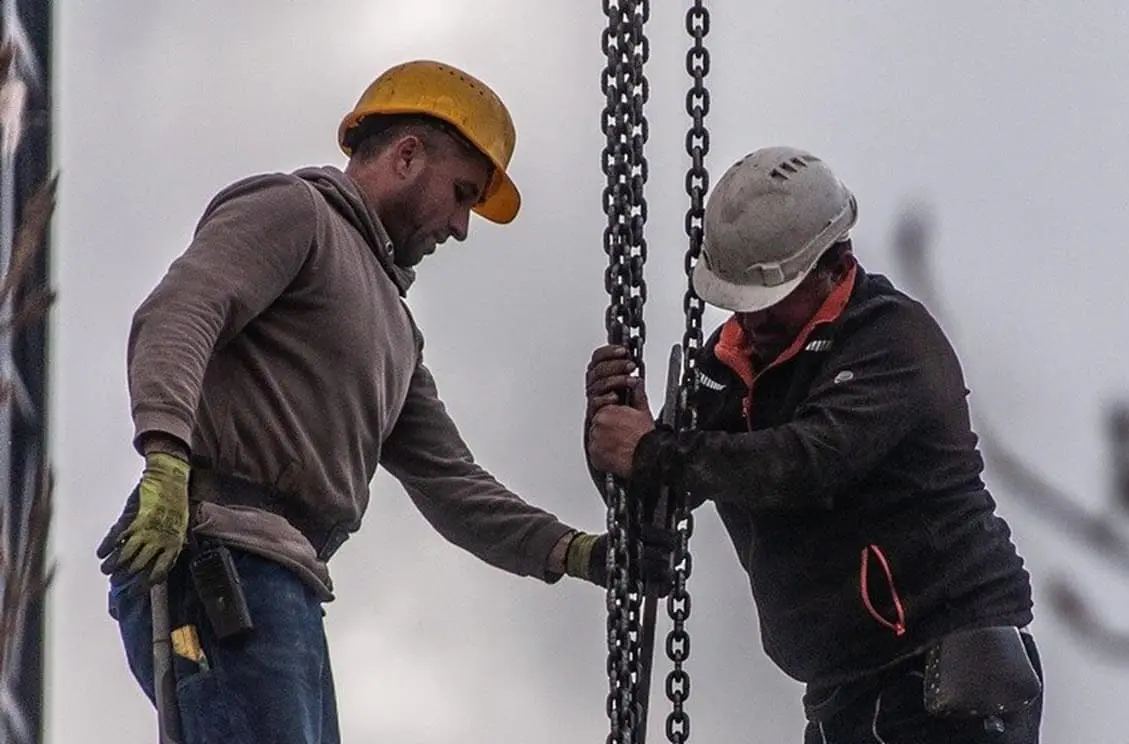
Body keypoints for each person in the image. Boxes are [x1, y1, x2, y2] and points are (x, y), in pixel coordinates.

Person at [98, 59, 667, 744]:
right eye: (461, 194)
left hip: (283, 583)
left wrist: (576, 553)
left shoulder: (395, 330)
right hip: (216, 557)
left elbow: (452, 484)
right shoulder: (294, 212)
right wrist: (165, 455)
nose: (460, 226)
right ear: (405, 155)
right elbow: (181, 311)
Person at [585, 146, 1043, 743]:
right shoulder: (728, 365)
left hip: (947, 672)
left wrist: (655, 450)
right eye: (739, 303)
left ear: (834, 265)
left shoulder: (890, 340)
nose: (750, 320)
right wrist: (618, 433)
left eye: (769, 300)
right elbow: (657, 501)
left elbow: (807, 462)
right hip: (843, 689)